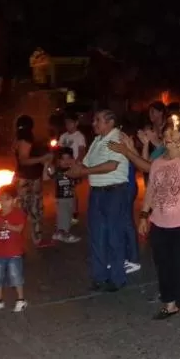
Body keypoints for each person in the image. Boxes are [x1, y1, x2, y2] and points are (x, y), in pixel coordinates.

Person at [139, 114, 180, 324]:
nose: (168, 138)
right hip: (160, 222)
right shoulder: (157, 163)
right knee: (163, 264)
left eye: (172, 134)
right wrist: (144, 215)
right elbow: (151, 191)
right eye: (165, 135)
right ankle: (170, 304)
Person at [68, 110, 130, 291]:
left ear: (110, 122)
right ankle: (99, 275)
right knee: (97, 235)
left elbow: (112, 165)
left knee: (114, 236)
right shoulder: (97, 140)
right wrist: (71, 167)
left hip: (114, 192)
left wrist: (83, 172)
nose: (93, 123)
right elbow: (86, 164)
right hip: (97, 192)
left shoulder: (117, 138)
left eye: (98, 120)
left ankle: (117, 278)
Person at [0, 185, 27, 313]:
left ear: (14, 200)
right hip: (0, 252)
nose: (3, 202)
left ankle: (21, 299)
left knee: (16, 276)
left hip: (14, 252)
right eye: (1, 199)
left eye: (7, 199)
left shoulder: (18, 213)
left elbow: (19, 229)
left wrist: (7, 225)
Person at [13, 115, 53, 248]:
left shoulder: (19, 138)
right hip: (28, 179)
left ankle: (29, 240)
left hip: (26, 178)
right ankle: (28, 240)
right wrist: (42, 159)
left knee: (27, 210)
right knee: (31, 210)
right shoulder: (25, 138)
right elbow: (23, 160)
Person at [46, 147, 80, 243]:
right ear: (59, 161)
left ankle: (58, 233)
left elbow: (77, 180)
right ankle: (65, 234)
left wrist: (75, 165)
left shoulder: (73, 171)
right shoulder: (58, 171)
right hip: (61, 198)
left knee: (67, 215)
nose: (66, 161)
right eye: (63, 159)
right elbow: (50, 173)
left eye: (68, 158)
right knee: (63, 216)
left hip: (70, 197)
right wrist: (49, 166)